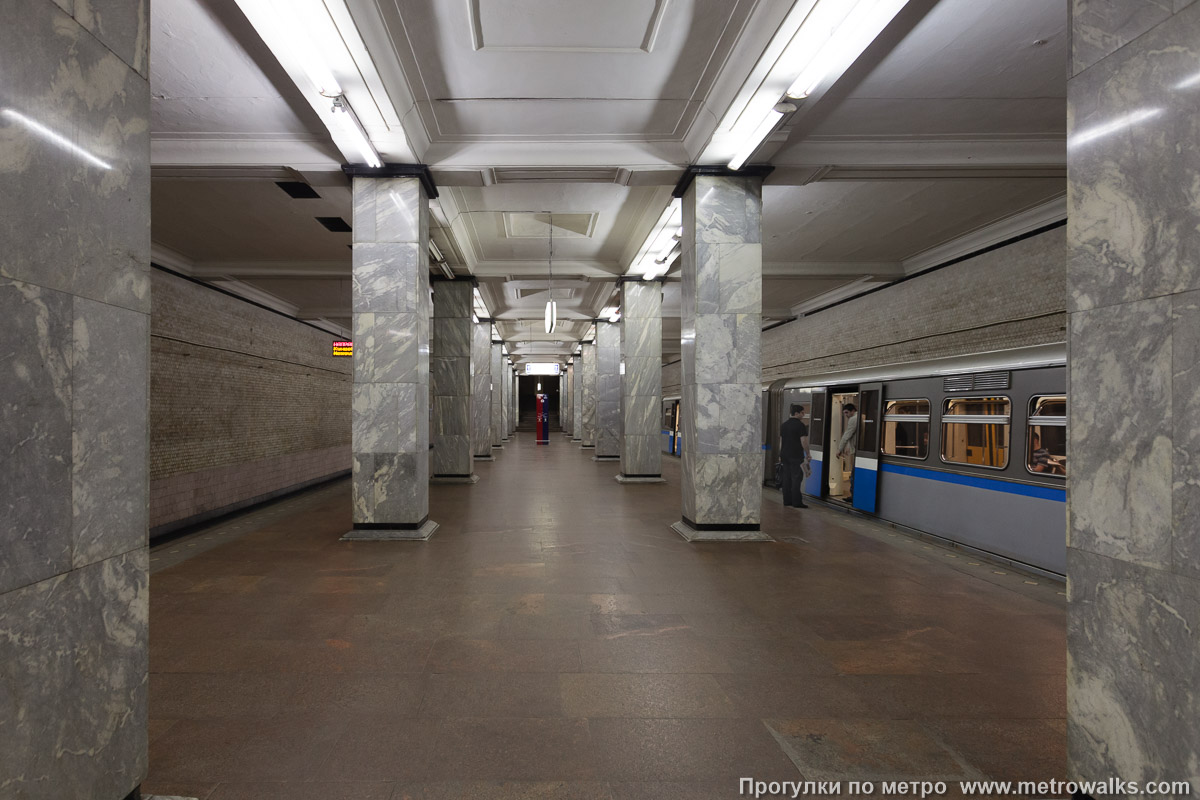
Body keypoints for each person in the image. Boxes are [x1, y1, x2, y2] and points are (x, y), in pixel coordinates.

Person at [779, 404, 810, 509]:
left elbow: (781, 441)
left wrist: (780, 454)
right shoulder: (800, 425)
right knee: (796, 478)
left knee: (786, 478)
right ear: (796, 413)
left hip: (785, 455)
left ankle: (787, 501)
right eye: (802, 412)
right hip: (796, 455)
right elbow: (804, 441)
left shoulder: (784, 425)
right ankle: (797, 502)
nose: (803, 414)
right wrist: (808, 454)